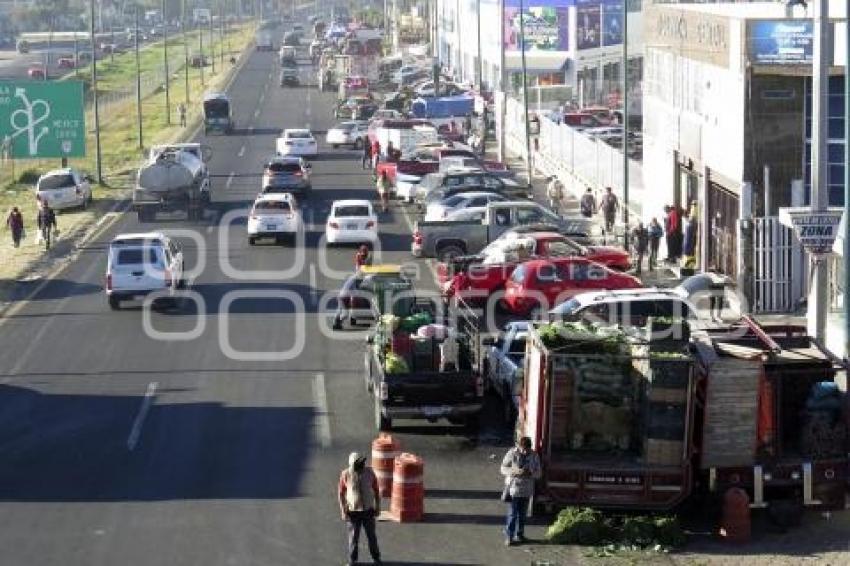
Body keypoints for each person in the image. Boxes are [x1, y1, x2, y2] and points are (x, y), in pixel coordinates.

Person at [338, 452, 383, 566]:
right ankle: (353, 560)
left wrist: (378, 507)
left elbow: (377, 490)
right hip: (353, 512)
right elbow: (341, 493)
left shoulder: (370, 472)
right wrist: (343, 510)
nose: (361, 466)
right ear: (351, 465)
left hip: (368, 510)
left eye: (361, 463)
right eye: (357, 464)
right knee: (353, 538)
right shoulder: (346, 474)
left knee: (371, 536)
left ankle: (376, 558)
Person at [500, 436, 541, 546]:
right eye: (522, 449)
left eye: (526, 449)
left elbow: (539, 473)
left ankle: (520, 534)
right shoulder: (512, 453)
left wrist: (530, 473)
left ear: (529, 448)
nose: (524, 451)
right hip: (514, 489)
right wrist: (514, 471)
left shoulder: (534, 455)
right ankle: (509, 536)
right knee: (513, 514)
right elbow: (503, 468)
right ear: (519, 446)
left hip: (527, 490)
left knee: (522, 515)